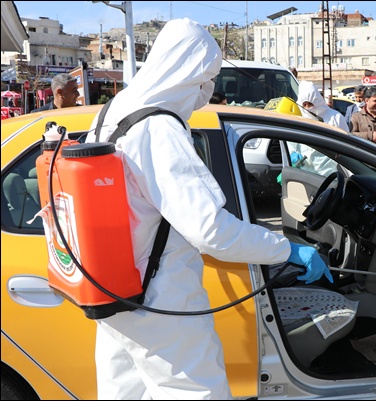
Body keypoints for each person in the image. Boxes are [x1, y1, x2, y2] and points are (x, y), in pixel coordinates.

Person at [85, 18, 332, 399]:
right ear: (189, 69)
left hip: (118, 292)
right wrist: (287, 249)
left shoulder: (113, 113)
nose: (209, 88)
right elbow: (211, 230)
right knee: (197, 391)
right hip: (159, 299)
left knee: (126, 392)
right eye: (208, 76)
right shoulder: (157, 128)